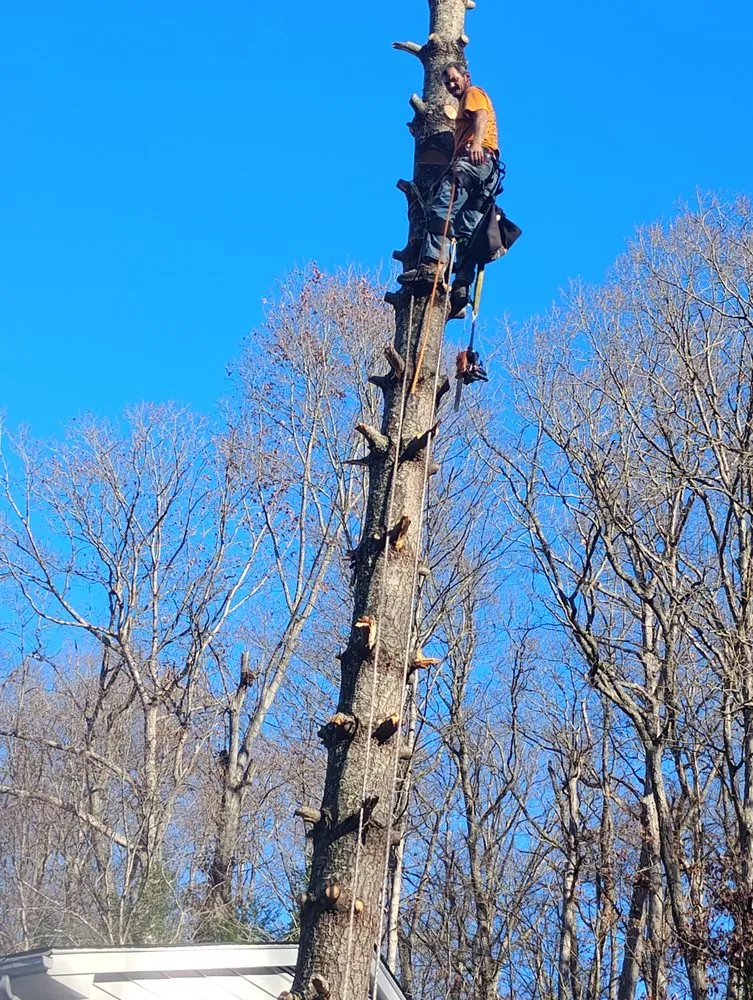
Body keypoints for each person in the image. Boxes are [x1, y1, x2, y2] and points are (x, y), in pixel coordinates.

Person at [399, 62, 500, 318]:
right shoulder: (465, 104)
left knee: (441, 207)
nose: (451, 85)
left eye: (454, 79)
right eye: (447, 83)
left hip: (474, 161)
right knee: (466, 230)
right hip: (487, 174)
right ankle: (461, 287)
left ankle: (432, 265)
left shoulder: (473, 93)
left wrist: (475, 144)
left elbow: (481, 117)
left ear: (466, 76)